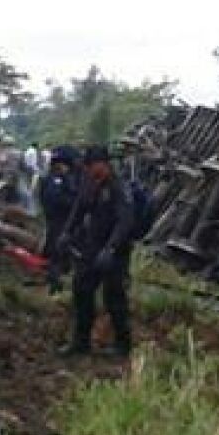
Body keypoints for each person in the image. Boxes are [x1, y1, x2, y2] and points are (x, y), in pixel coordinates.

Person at [59, 145, 134, 357]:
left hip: (115, 251)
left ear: (103, 164)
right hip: (91, 246)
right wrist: (66, 232)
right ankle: (80, 342)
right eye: (87, 166)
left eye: (91, 165)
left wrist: (111, 249)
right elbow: (79, 208)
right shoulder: (89, 183)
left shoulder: (119, 186)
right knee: (81, 291)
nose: (88, 169)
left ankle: (123, 345)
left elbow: (125, 221)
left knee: (114, 298)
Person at [37, 145, 80, 291]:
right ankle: (57, 285)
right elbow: (62, 200)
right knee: (59, 254)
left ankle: (56, 282)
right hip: (61, 222)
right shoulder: (60, 179)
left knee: (57, 253)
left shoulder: (49, 178)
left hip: (56, 221)